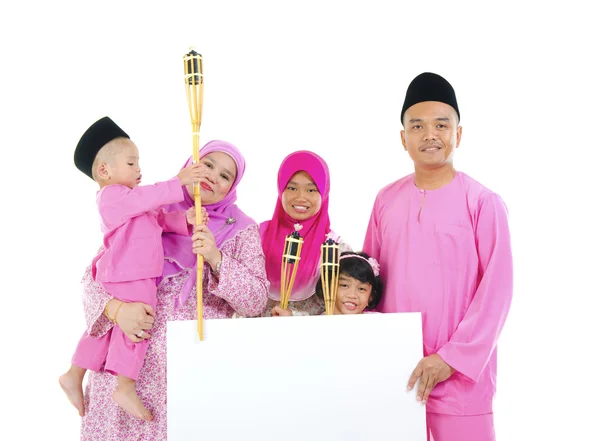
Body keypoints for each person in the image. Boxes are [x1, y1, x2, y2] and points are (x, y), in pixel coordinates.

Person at [77, 139, 268, 441]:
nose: (212, 177)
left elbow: (256, 302)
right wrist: (118, 310)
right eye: (207, 165)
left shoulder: (242, 230)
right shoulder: (151, 208)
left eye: (225, 176)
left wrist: (218, 259)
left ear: (232, 187)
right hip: (126, 369)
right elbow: (96, 276)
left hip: (188, 370)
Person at [362, 72, 513, 441]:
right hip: (399, 376)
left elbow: (497, 292)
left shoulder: (482, 203)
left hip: (461, 383)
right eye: (417, 125)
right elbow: (368, 281)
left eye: (441, 125)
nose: (430, 134)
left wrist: (450, 359)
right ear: (404, 138)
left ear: (458, 134)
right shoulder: (385, 201)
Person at [60, 116, 203, 420]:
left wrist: (184, 221)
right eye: (131, 163)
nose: (139, 169)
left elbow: (160, 219)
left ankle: (74, 372)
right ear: (104, 171)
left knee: (105, 329)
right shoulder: (112, 197)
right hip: (130, 274)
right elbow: (148, 197)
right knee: (140, 323)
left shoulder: (134, 203)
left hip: (125, 274)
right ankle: (125, 385)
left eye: (138, 162)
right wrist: (178, 182)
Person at [259, 150, 351, 317]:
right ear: (281, 190)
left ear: (324, 193)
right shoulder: (257, 237)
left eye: (311, 190)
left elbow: (341, 310)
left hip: (313, 339)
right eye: (292, 188)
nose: (301, 197)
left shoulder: (335, 248)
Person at [275, 251, 383, 316]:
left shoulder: (379, 322)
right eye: (344, 285)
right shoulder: (316, 323)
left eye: (362, 289)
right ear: (328, 288)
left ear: (371, 297)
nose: (352, 295)